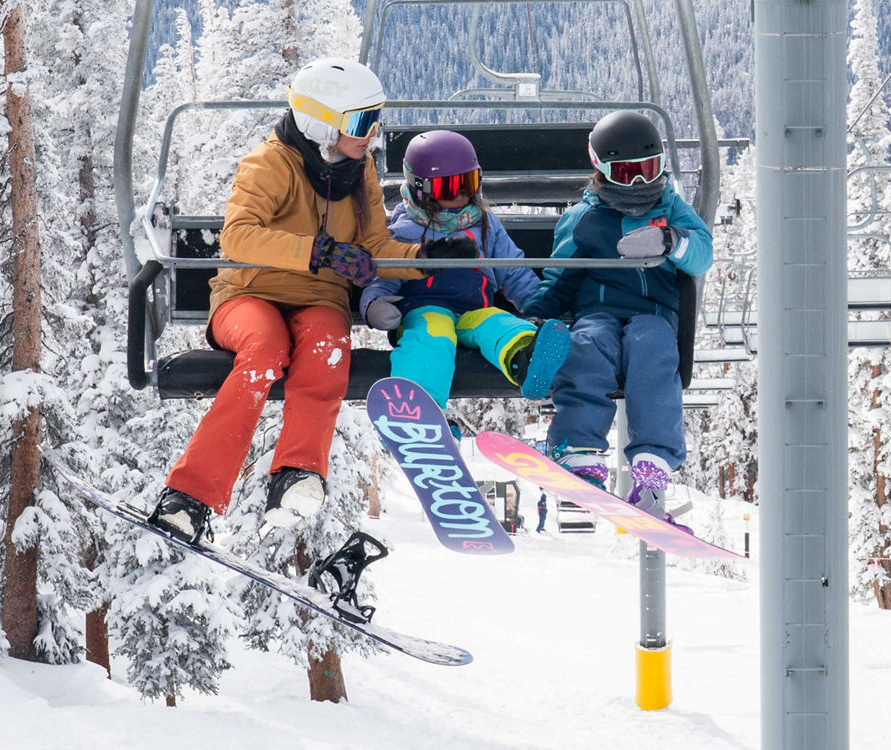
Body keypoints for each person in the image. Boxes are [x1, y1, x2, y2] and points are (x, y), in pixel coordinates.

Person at [146, 59, 421, 546]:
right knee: (265, 352)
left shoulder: (360, 173)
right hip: (248, 294)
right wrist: (319, 251)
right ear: (322, 123)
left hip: (319, 298)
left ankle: (296, 474)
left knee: (327, 349)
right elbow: (239, 237)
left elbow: (377, 246)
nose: (373, 134)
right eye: (362, 122)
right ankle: (190, 496)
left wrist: (427, 258)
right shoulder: (269, 163)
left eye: (376, 119)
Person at [520, 111, 711, 513]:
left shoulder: (671, 208)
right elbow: (562, 275)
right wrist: (537, 315)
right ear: (602, 170)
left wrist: (670, 240)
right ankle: (579, 450)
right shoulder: (585, 218)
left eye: (649, 169)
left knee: (654, 350)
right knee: (587, 348)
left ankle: (653, 465)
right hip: (598, 312)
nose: (641, 183)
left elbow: (702, 252)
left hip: (654, 313)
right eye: (628, 173)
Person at [360, 130, 574, 409]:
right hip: (423, 312)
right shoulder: (406, 231)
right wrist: (374, 305)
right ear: (421, 187)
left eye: (468, 183)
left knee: (500, 324)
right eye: (449, 187)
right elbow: (385, 275)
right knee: (432, 336)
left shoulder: (485, 225)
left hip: (472, 313)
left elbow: (512, 271)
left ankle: (527, 359)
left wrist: (538, 306)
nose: (461, 194)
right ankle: (422, 410)